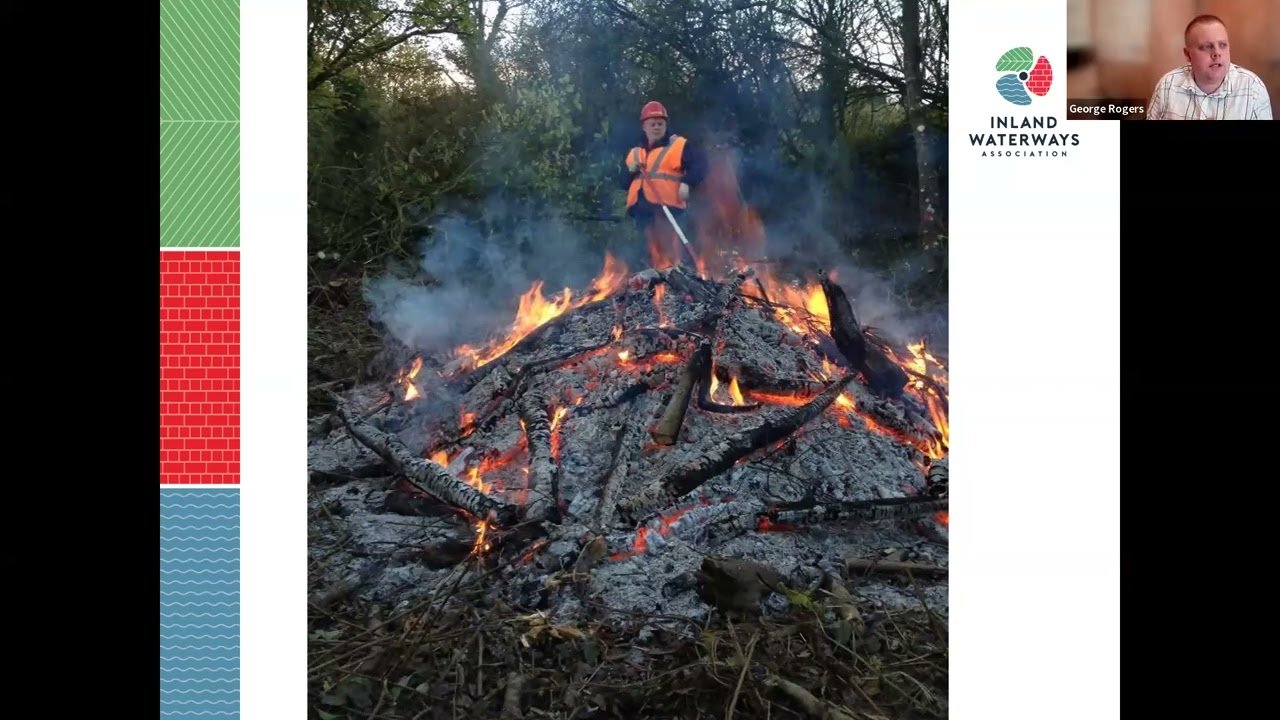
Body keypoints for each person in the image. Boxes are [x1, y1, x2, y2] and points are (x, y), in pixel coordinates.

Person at [618, 101, 708, 270]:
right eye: (652, 124)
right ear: (644, 126)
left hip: (669, 209)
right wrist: (630, 171)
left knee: (672, 250)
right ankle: (647, 285)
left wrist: (687, 183)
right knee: (645, 251)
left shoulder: (678, 146)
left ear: (666, 125)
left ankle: (681, 280)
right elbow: (623, 183)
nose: (657, 127)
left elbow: (701, 166)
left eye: (660, 123)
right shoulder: (635, 153)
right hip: (641, 211)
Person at [1146, 14, 1272, 120]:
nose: (1217, 53)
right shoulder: (1167, 85)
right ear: (1188, 55)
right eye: (1206, 46)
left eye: (1223, 45)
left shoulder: (1253, 88)